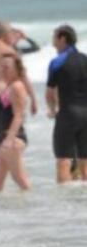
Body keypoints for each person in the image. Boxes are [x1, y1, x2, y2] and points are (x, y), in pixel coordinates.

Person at [0, 21, 38, 162]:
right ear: (7, 34)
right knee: (5, 142)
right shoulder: (8, 51)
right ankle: (9, 175)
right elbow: (22, 75)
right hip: (0, 99)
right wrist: (33, 99)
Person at [46, 24, 87, 183]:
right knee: (85, 160)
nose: (53, 42)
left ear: (63, 38)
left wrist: (53, 110)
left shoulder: (57, 62)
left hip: (68, 113)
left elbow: (50, 92)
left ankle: (63, 206)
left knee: (64, 159)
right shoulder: (85, 59)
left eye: (54, 38)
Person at [0, 55, 31, 191]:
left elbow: (19, 115)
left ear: (16, 69)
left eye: (7, 67)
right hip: (3, 139)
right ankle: (0, 211)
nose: (3, 70)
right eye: (1, 67)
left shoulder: (17, 86)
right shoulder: (7, 87)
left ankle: (34, 208)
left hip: (13, 139)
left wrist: (9, 140)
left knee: (20, 179)